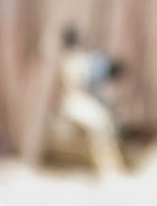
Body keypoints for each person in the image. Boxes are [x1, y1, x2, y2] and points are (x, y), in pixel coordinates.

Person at [53, 26, 126, 176]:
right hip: (76, 102)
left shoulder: (71, 58)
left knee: (103, 123)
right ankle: (107, 165)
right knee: (102, 124)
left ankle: (109, 164)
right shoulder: (76, 59)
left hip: (77, 101)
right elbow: (89, 78)